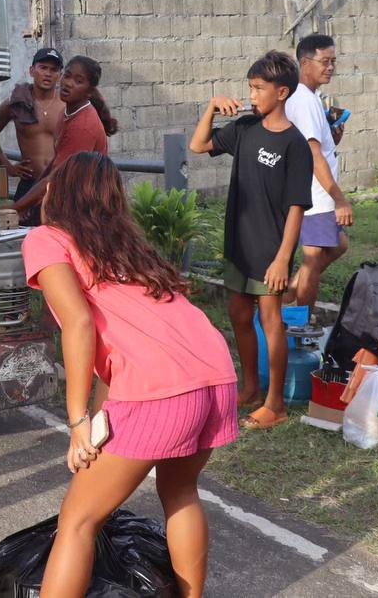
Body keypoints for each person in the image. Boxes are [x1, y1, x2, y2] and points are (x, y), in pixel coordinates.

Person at [25, 152, 237, 598]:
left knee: (78, 521)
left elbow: (79, 324)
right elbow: (117, 357)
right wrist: (98, 431)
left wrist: (77, 421)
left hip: (159, 390)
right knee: (180, 493)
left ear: (56, 193)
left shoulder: (47, 239)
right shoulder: (128, 245)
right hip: (214, 374)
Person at [189, 50, 312, 431]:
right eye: (250, 88)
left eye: (259, 88)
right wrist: (211, 107)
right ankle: (251, 389)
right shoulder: (243, 129)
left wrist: (282, 259)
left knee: (269, 318)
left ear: (282, 92)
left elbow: (297, 207)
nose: (252, 95)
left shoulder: (295, 144)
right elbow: (198, 146)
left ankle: (275, 403)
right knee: (239, 315)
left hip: (271, 248)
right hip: (238, 244)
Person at [284, 34, 352, 310]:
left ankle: (289, 293)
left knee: (339, 245)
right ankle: (303, 323)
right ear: (305, 62)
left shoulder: (310, 98)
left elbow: (317, 148)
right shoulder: (303, 101)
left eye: (334, 61)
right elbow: (312, 156)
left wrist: (333, 139)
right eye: (325, 61)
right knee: (312, 261)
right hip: (316, 196)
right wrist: (339, 199)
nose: (331, 67)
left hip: (316, 194)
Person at [11, 55, 117, 217]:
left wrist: (17, 208)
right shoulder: (66, 112)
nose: (68, 83)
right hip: (65, 198)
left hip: (84, 208)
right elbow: (55, 163)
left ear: (89, 92)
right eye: (67, 76)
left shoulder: (82, 126)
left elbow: (59, 175)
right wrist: (27, 203)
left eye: (78, 81)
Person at [0, 47, 65, 226]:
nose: (48, 74)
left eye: (53, 70)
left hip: (59, 184)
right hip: (29, 184)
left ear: (59, 75)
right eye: (43, 68)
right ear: (32, 70)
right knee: (23, 239)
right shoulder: (17, 103)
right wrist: (8, 167)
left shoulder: (66, 105)